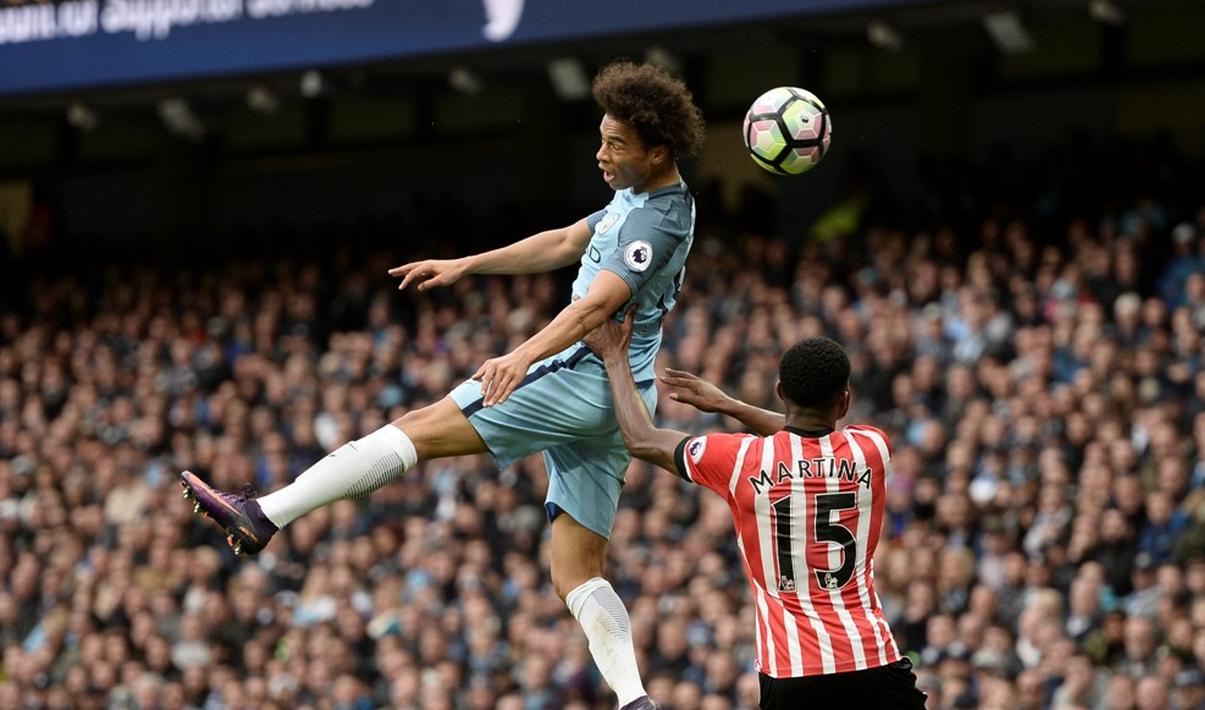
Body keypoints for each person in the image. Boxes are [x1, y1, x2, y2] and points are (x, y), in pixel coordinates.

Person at [180, 60, 705, 710]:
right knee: (575, 572)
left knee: (418, 430)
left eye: (615, 144)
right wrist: (467, 264)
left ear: (657, 152)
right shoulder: (641, 195)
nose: (600, 153)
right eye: (600, 138)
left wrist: (520, 356)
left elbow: (596, 305)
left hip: (583, 375)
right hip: (619, 394)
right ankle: (634, 699)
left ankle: (265, 514)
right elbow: (568, 240)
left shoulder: (659, 221)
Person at [583, 310, 927, 709]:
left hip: (792, 673)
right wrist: (732, 405)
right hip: (872, 660)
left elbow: (640, 438)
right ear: (845, 401)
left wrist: (614, 356)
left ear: (780, 391)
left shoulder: (742, 460)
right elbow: (810, 437)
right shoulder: (872, 448)